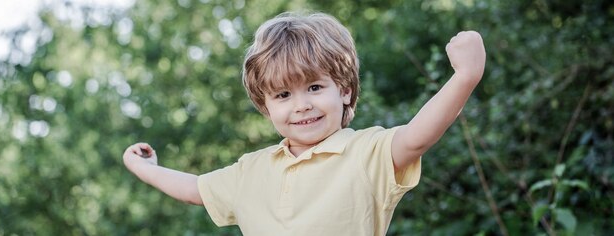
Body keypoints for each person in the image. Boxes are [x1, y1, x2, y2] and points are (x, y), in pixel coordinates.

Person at [123, 12, 485, 236]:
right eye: (283, 95)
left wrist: (464, 77)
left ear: (343, 90)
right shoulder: (252, 170)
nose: (302, 105)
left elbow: (418, 138)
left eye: (314, 87)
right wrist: (143, 168)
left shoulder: (366, 153)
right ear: (265, 107)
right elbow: (194, 189)